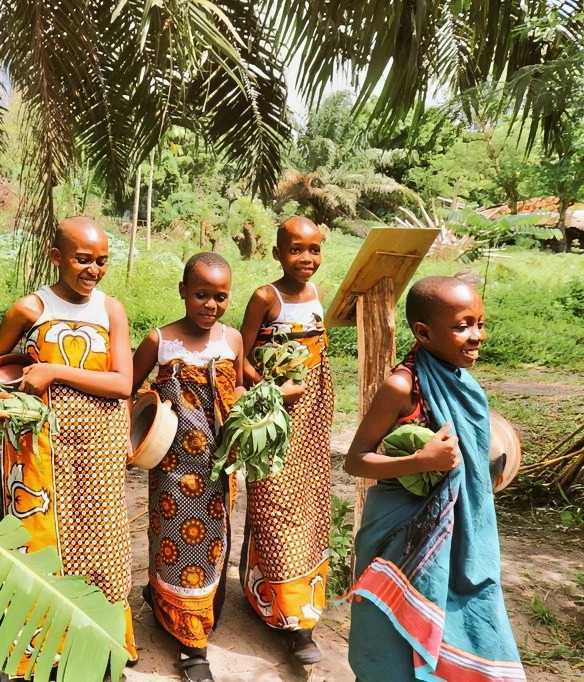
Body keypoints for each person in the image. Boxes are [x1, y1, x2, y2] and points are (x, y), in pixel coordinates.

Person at [0, 216, 137, 676]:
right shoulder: (29, 308)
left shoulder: (111, 310)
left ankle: (101, 650)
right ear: (56, 256)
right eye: (84, 260)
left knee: (103, 548)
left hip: (97, 449)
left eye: (102, 261)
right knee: (38, 548)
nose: (94, 270)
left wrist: (55, 371)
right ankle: (31, 651)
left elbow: (122, 383)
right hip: (39, 450)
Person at [344, 276, 524, 681]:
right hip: (397, 536)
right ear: (423, 333)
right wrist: (422, 460)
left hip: (458, 534)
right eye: (462, 326)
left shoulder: (464, 381)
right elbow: (355, 462)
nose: (476, 336)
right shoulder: (401, 386)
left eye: (479, 322)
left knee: (461, 622)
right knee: (386, 637)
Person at [131, 252, 245, 682]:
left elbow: (242, 390)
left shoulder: (231, 340)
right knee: (170, 539)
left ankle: (192, 614)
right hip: (172, 467)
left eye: (220, 297)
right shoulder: (159, 341)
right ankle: (191, 645)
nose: (210, 305)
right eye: (201, 295)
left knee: (211, 542)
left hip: (218, 467)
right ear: (182, 291)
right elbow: (129, 389)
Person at [236, 216, 334, 664]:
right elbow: (239, 359)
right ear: (276, 252)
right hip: (271, 421)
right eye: (296, 249)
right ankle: (292, 623)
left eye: (313, 249)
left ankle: (289, 605)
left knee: (309, 503)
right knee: (273, 505)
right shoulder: (265, 297)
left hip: (313, 419)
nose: (306, 259)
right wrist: (272, 391)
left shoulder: (316, 295)